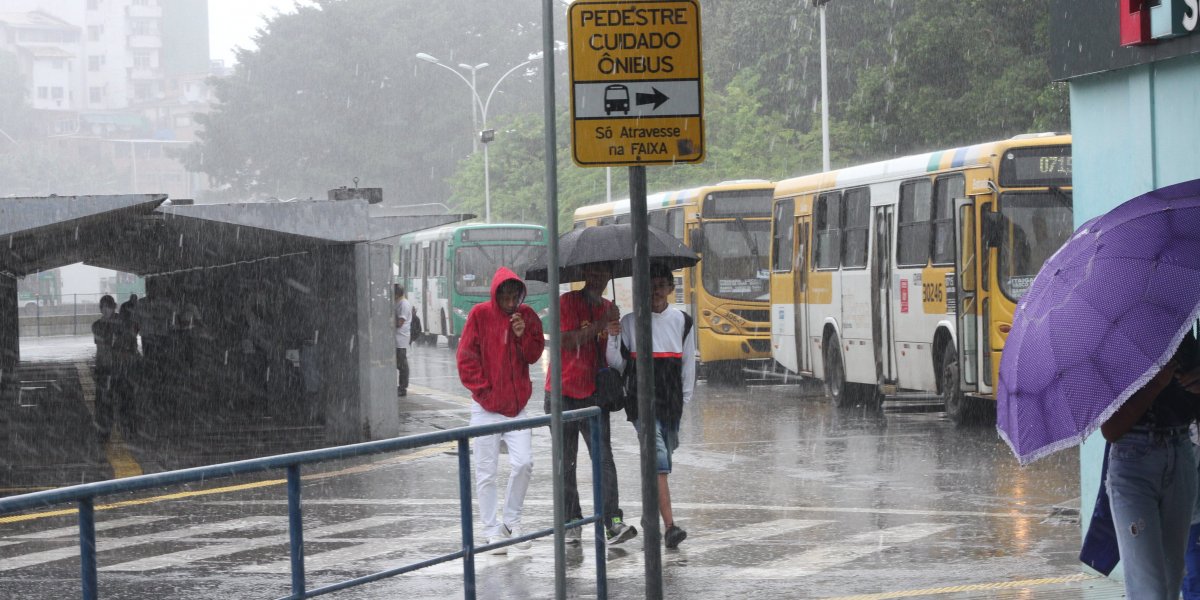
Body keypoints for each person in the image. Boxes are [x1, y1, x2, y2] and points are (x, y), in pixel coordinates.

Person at [1099, 331, 1200, 598]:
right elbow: (1111, 430)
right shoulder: (1111, 345)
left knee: (1171, 579)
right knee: (1149, 588)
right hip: (1133, 464)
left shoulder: (1182, 337)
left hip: (1181, 455)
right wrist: (1155, 384)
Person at [544, 261, 637, 545]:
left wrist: (613, 332)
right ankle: (571, 520)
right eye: (593, 273)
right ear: (584, 275)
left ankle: (612, 522)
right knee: (566, 462)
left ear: (610, 276)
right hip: (561, 394)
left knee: (604, 460)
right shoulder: (567, 302)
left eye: (604, 273)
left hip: (594, 395)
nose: (598, 279)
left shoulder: (610, 308)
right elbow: (566, 341)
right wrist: (600, 324)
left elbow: (612, 357)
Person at [606, 262, 695, 549]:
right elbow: (617, 363)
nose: (656, 291)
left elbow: (688, 364)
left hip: (671, 404)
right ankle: (670, 526)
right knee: (658, 460)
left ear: (670, 288)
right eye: (650, 285)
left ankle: (649, 517)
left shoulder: (683, 321)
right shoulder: (631, 323)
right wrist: (613, 335)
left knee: (661, 460)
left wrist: (685, 400)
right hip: (641, 404)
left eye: (661, 285)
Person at [456, 267, 545, 553]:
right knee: (486, 472)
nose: (509, 302)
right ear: (496, 294)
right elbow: (466, 358)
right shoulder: (480, 315)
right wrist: (485, 392)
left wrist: (521, 335)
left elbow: (533, 355)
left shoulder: (527, 316)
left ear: (520, 295)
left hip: (516, 407)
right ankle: (492, 530)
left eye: (514, 296)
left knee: (523, 463)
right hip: (485, 408)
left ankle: (511, 522)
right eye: (504, 296)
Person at [92, 295, 136, 442]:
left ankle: (128, 429)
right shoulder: (97, 325)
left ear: (113, 307)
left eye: (109, 307)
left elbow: (129, 338)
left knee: (125, 399)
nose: (106, 310)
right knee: (103, 402)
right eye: (103, 307)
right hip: (104, 367)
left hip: (120, 368)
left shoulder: (122, 322)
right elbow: (104, 340)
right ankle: (104, 431)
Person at [394, 284, 412, 397]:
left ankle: (403, 387)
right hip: (396, 338)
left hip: (401, 338)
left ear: (396, 294)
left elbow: (400, 322)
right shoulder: (397, 302)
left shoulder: (404, 304)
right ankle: (401, 386)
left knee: (402, 364)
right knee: (398, 363)